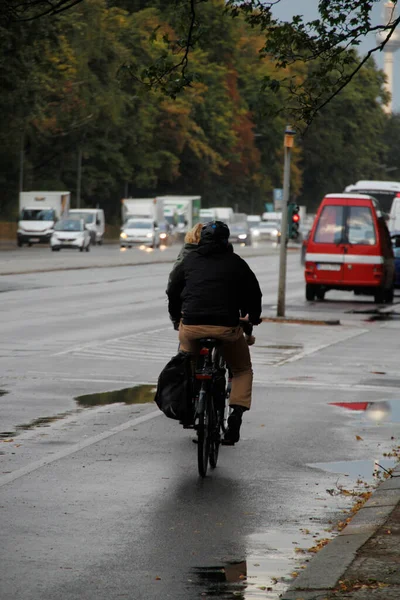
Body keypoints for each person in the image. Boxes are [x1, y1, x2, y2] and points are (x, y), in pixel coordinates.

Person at [166, 220, 262, 444]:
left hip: (191, 327)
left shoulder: (189, 261)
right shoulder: (236, 263)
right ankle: (235, 416)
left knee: (186, 361)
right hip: (226, 328)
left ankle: (190, 406)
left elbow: (173, 290)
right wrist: (253, 317)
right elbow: (254, 293)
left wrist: (177, 316)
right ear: (226, 241)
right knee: (241, 369)